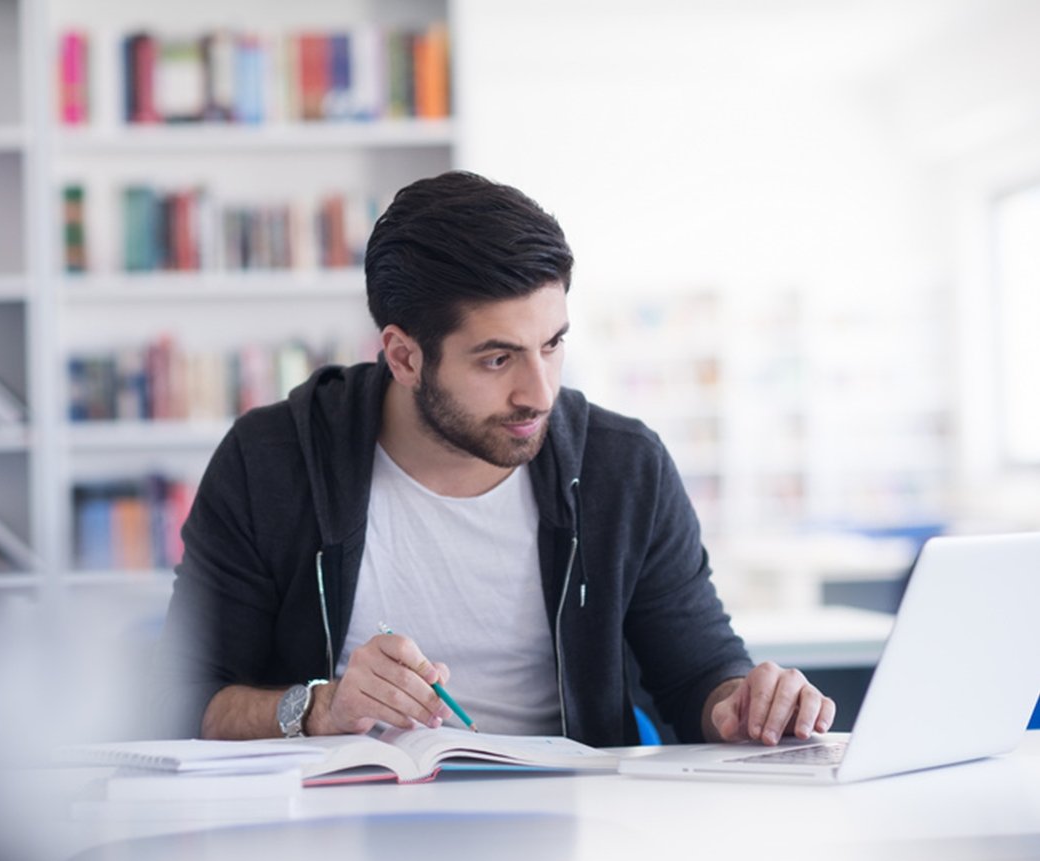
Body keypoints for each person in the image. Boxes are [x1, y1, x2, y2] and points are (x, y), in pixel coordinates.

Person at [151, 170, 835, 748]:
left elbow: (699, 675)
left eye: (553, 345)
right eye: (497, 358)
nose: (538, 393)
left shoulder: (621, 469)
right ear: (403, 356)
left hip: (568, 829)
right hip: (333, 829)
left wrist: (745, 706)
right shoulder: (272, 462)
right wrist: (319, 709)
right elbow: (185, 698)